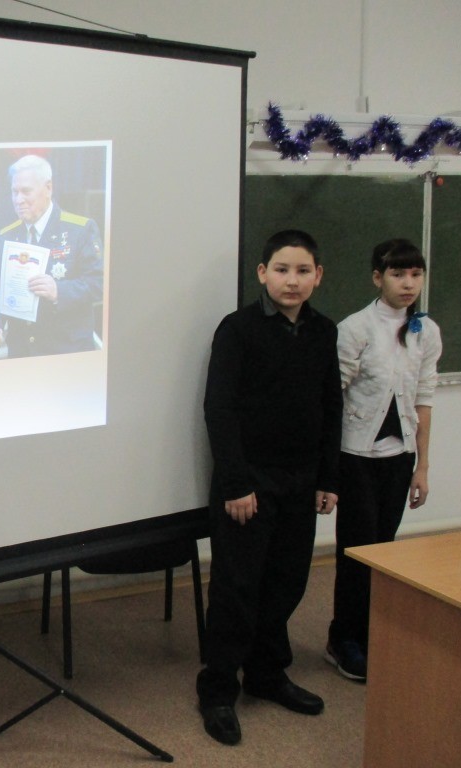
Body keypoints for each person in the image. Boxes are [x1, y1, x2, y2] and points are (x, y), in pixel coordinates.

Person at [196, 230, 343, 746]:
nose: (291, 280)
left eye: (303, 271)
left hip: (301, 481)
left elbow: (331, 406)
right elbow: (219, 409)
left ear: (317, 276)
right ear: (262, 273)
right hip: (249, 484)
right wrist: (236, 482)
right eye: (281, 269)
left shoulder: (323, 331)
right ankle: (218, 689)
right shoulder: (237, 330)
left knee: (287, 582)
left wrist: (328, 478)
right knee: (237, 588)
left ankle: (266, 673)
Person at [325, 238, 442, 682]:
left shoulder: (426, 331)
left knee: (384, 549)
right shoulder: (355, 328)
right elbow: (331, 399)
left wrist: (422, 467)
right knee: (357, 550)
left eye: (415, 274)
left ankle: (370, 633)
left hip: (399, 456)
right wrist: (327, 471)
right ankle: (343, 639)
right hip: (357, 456)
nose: (408, 283)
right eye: (397, 274)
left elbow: (423, 399)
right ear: (378, 278)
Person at [0, 153, 103, 358]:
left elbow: (99, 284)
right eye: (14, 192)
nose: (18, 200)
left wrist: (59, 290)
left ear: (48, 188)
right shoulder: (5, 237)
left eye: (26, 191)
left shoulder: (80, 229)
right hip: (21, 353)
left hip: (66, 352)